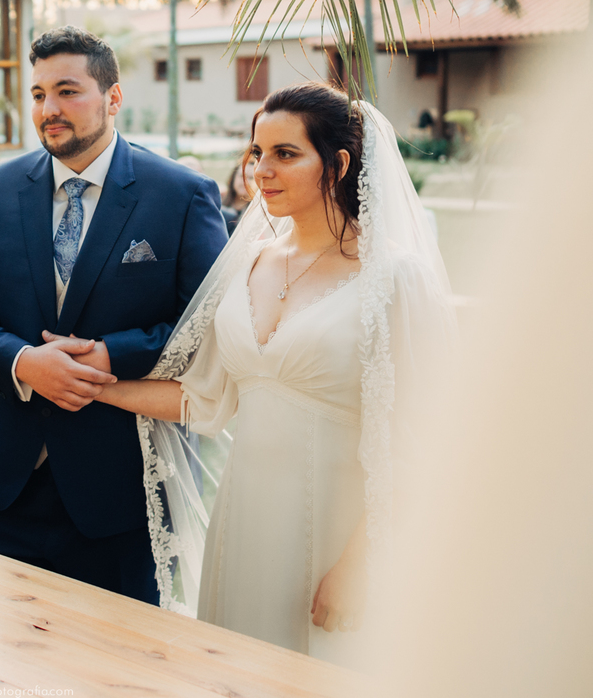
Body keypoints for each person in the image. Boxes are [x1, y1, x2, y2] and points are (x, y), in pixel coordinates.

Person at [74, 81, 455, 665]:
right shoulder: (248, 260)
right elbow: (204, 400)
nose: (261, 171)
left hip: (340, 525)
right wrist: (91, 386)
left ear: (339, 164)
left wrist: (360, 564)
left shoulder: (394, 277)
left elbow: (426, 439)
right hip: (247, 517)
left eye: (285, 154)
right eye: (257, 153)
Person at [0, 26, 228, 603]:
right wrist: (23, 362)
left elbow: (209, 328)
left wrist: (110, 355)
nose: (49, 109)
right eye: (39, 94)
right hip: (3, 481)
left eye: (68, 91)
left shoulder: (182, 194)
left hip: (120, 487)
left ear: (113, 98)